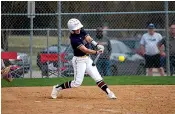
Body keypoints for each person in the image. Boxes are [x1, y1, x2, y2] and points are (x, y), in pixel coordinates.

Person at [51, 18, 116, 99]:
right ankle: (57, 88)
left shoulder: (81, 30)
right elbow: (85, 50)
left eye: (78, 28)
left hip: (87, 59)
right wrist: (96, 52)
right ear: (72, 30)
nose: (78, 30)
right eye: (76, 29)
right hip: (79, 60)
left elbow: (88, 38)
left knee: (98, 78)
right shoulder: (74, 39)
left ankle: (109, 93)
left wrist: (96, 45)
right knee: (77, 83)